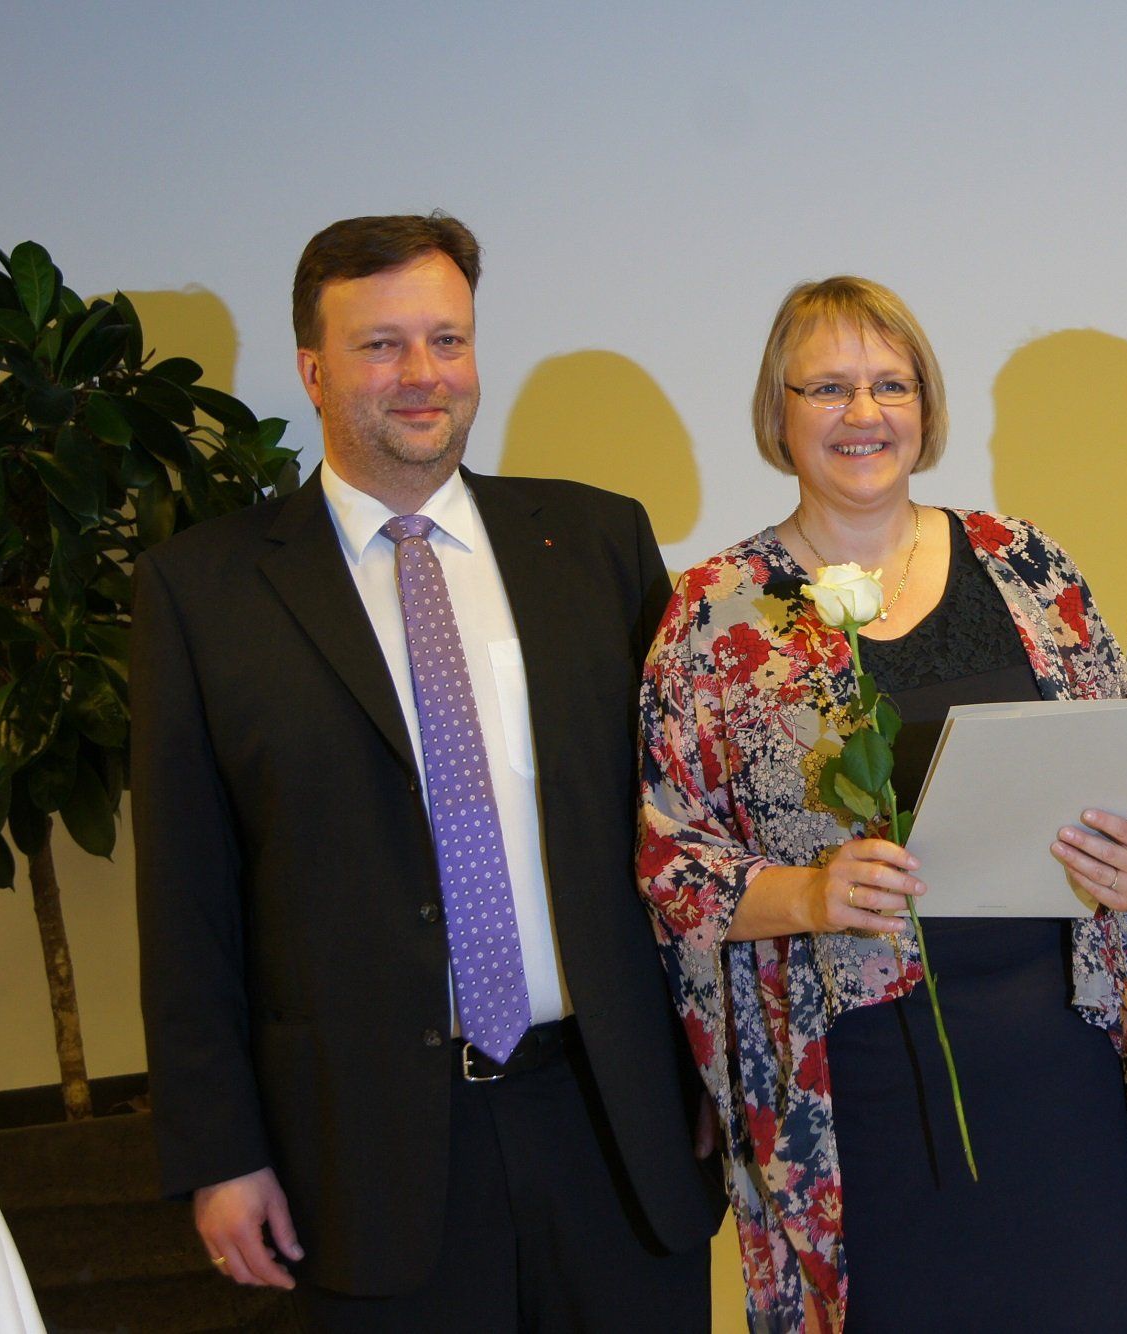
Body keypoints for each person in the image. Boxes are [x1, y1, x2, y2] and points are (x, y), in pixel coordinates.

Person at [133, 212, 720, 1331]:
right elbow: (185, 899)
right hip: (363, 1151)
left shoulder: (598, 543)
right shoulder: (203, 591)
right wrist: (218, 1151)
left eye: (448, 340)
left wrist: (713, 1065)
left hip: (614, 1124)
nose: (423, 374)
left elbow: (681, 830)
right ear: (313, 369)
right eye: (381, 345)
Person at [637, 275, 1127, 1332]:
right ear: (777, 411)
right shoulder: (716, 612)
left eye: (891, 385)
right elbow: (672, 867)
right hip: (859, 1101)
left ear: (926, 407)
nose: (864, 413)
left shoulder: (1025, 562)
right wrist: (807, 893)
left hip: (1060, 1075)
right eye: (828, 387)